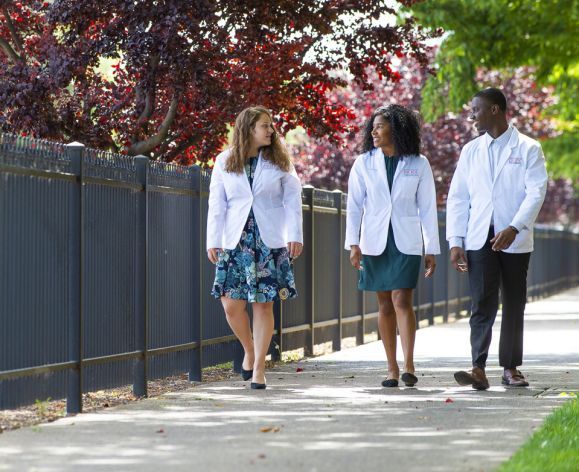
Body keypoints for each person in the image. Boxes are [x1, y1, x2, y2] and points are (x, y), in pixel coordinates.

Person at [446, 88, 548, 390]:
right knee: (481, 302)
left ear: (494, 110)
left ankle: (511, 368)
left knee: (514, 303)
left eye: (476, 109)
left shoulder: (528, 148)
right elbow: (457, 197)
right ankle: (478, 367)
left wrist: (515, 227)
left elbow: (536, 192)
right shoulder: (470, 150)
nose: (472, 115)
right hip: (479, 238)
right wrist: (455, 240)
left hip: (514, 238)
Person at [206, 106, 303, 390]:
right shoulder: (224, 161)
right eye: (265, 126)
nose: (271, 130)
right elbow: (217, 204)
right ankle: (249, 350)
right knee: (231, 305)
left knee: (263, 304)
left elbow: (292, 199)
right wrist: (213, 240)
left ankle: (259, 366)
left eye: (271, 126)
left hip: (268, 240)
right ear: (249, 128)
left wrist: (294, 235)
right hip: (235, 241)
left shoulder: (279, 162)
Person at [345, 104, 440, 388]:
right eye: (372, 127)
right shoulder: (364, 162)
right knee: (384, 302)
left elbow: (427, 207)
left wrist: (431, 247)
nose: (373, 131)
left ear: (396, 129)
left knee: (402, 299)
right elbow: (353, 205)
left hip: (406, 240)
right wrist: (353, 243)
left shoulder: (418, 163)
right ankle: (391, 368)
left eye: (380, 126)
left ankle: (409, 364)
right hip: (375, 239)